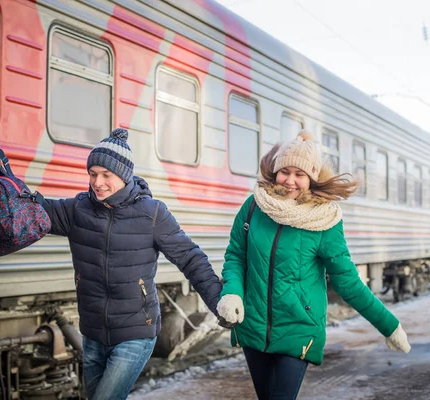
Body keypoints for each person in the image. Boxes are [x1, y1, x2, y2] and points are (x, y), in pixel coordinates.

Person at [216, 130, 411, 400]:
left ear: (311, 178)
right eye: (285, 172)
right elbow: (236, 255)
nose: (291, 181)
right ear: (275, 172)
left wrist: (389, 325)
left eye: (300, 174)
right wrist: (233, 292)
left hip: (300, 327)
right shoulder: (254, 207)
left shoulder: (323, 221)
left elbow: (348, 282)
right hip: (254, 327)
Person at [41, 128, 223, 400]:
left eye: (106, 175)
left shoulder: (152, 214)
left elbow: (190, 258)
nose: (97, 182)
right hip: (92, 333)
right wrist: (1, 179)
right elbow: (33, 211)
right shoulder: (77, 211)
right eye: (92, 174)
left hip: (135, 333)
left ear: (124, 175)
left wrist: (218, 302)